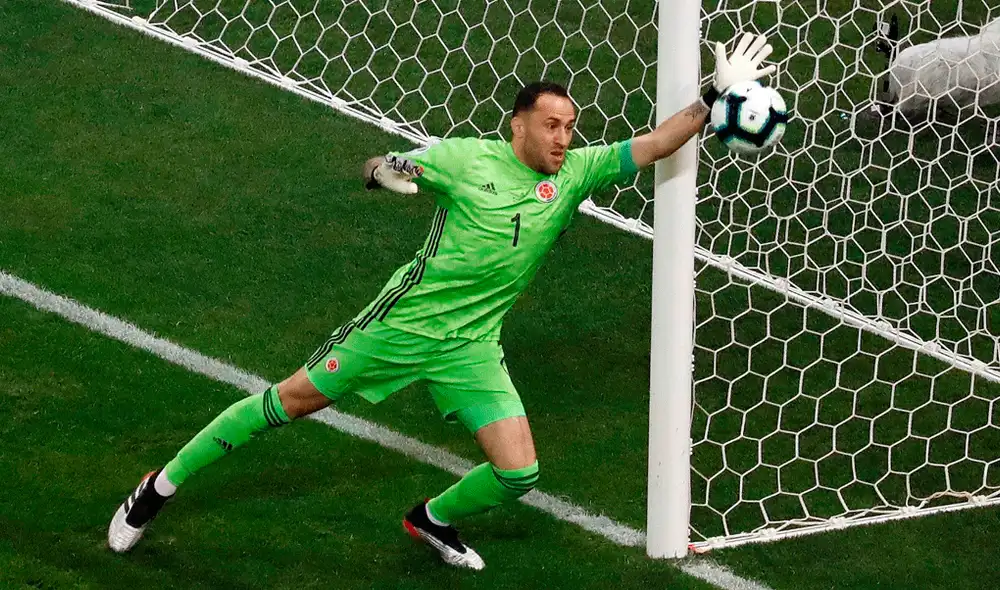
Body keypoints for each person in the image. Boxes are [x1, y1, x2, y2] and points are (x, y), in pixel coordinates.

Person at [108, 32, 775, 570]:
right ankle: (158, 486)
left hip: (471, 347)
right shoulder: (465, 159)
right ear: (517, 125)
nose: (563, 138)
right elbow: (377, 166)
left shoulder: (575, 174)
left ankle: (431, 517)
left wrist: (712, 95)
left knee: (520, 472)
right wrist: (389, 175)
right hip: (399, 326)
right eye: (551, 125)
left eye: (570, 126)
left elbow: (658, 142)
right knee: (283, 405)